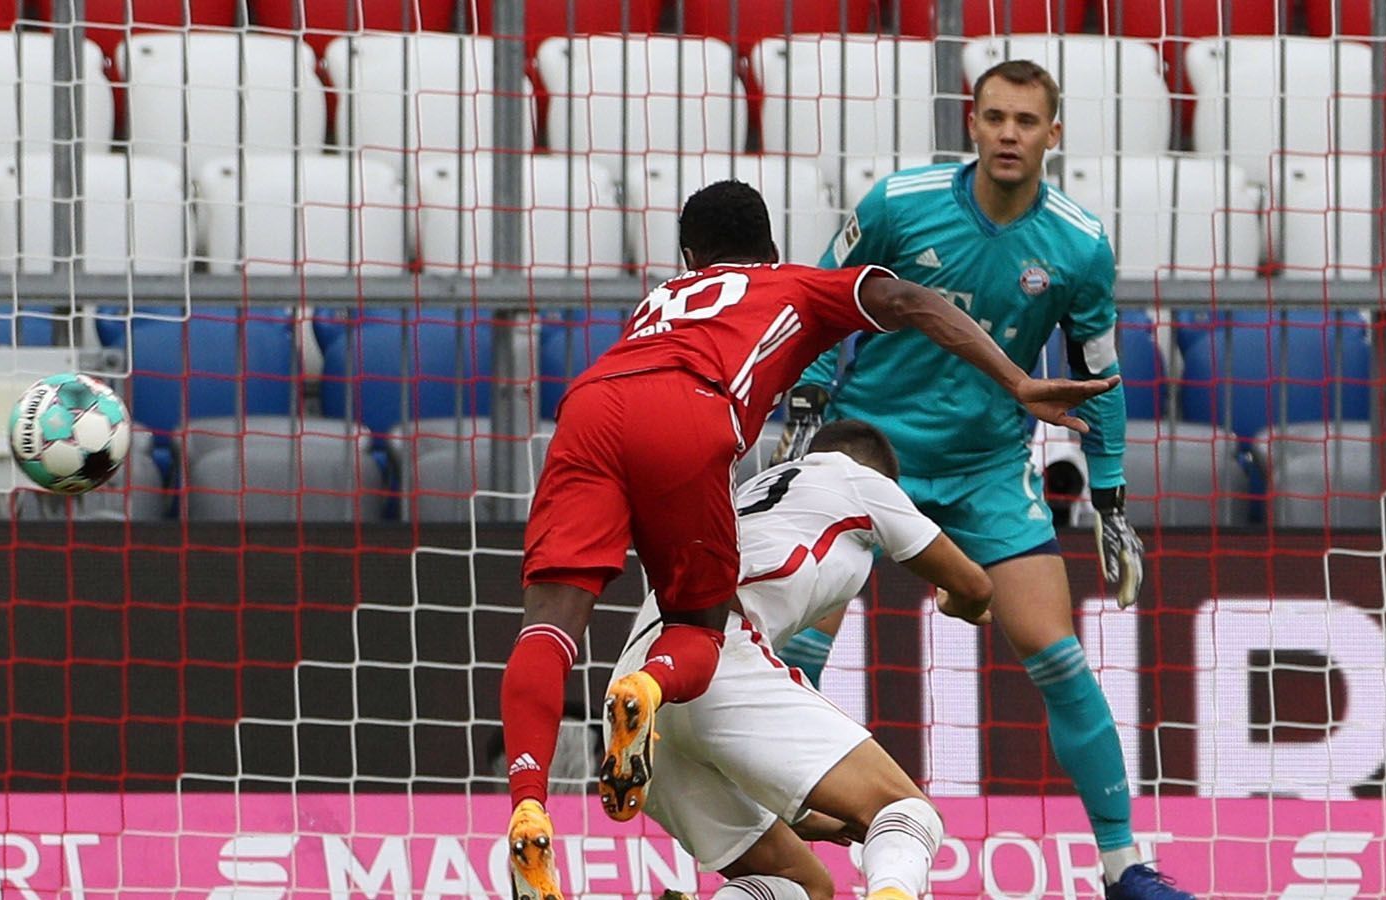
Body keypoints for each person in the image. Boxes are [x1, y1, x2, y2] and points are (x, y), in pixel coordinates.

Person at [503, 179, 1119, 900]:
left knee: (550, 626)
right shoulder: (794, 293)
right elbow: (914, 300)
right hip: (691, 432)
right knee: (889, 799)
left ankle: (528, 801)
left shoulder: (658, 305)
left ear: (687, 254)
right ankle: (653, 687)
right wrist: (1018, 382)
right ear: (770, 249)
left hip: (591, 402)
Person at [777, 59, 1190, 899]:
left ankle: (1123, 868)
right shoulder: (898, 202)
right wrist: (809, 405)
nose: (1009, 134)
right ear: (972, 123)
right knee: (798, 654)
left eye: (1026, 121)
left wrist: (1109, 499)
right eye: (995, 117)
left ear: (1053, 134)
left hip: (988, 469)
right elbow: (821, 300)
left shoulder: (1078, 246)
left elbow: (1095, 378)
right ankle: (765, 848)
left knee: (1059, 657)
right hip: (869, 456)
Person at [611, 419, 994, 900]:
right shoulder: (857, 479)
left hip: (642, 682)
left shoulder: (754, 492)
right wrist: (961, 604)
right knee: (909, 812)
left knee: (802, 885)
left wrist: (805, 811)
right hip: (717, 649)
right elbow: (975, 585)